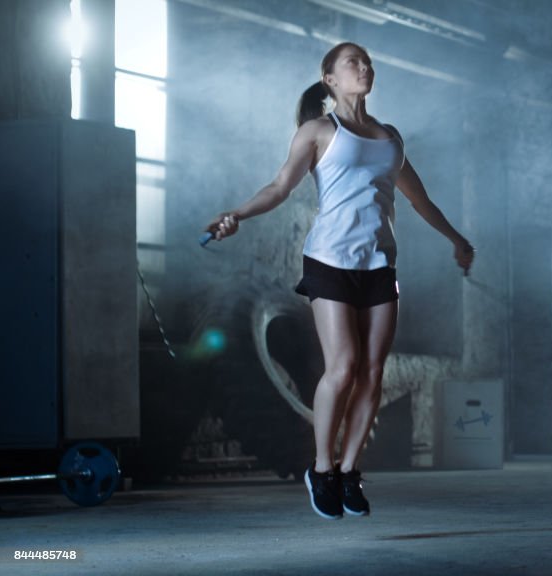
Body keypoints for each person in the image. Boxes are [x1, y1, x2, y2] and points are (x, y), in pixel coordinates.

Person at [203, 42, 475, 520]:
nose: (364, 66)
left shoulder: (391, 139)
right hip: (329, 261)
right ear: (329, 78)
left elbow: (420, 200)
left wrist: (457, 239)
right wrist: (237, 214)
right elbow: (279, 187)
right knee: (344, 366)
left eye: (368, 60)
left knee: (373, 371)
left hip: (379, 265)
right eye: (353, 62)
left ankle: (350, 470)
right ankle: (322, 467)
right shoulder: (318, 131)